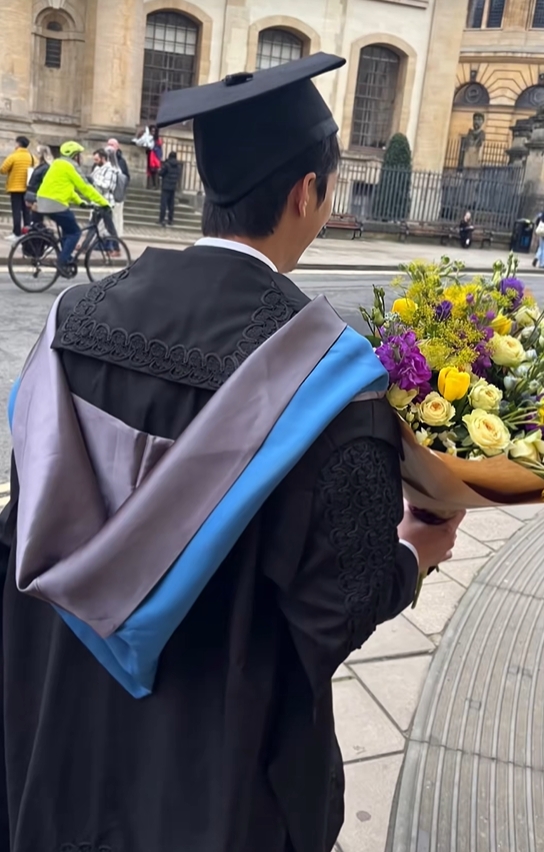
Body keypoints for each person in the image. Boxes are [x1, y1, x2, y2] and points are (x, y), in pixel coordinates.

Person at [0, 54, 463, 852]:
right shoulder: (332, 380)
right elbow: (338, 607)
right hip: (217, 774)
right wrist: (417, 551)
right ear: (307, 193)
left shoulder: (70, 323)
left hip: (60, 728)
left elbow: (26, 520)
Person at [36, 140, 109, 277]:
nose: (80, 158)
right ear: (74, 155)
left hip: (42, 202)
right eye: (79, 155)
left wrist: (80, 202)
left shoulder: (57, 163)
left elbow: (66, 189)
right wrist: (104, 203)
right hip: (56, 204)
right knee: (75, 232)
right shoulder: (71, 166)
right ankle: (62, 261)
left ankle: (66, 257)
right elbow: (85, 187)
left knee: (67, 230)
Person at [0, 136, 35, 241]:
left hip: (15, 188)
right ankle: (27, 232)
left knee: (16, 211)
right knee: (26, 211)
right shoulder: (32, 157)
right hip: (27, 188)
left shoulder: (13, 156)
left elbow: (3, 169)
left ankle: (17, 233)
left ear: (18, 144)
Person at [90, 147, 120, 250]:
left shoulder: (111, 170)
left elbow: (108, 186)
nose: (95, 162)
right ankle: (84, 247)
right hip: (97, 202)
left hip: (106, 203)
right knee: (92, 226)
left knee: (110, 228)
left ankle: (116, 248)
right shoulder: (97, 169)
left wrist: (94, 181)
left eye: (97, 159)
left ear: (103, 158)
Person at [24, 144, 53, 225]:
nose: (36, 154)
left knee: (37, 219)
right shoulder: (40, 166)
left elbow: (44, 183)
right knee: (35, 218)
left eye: (38, 152)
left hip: (37, 196)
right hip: (33, 194)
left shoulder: (46, 167)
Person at [107, 137, 130, 236]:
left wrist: (121, 188)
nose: (110, 147)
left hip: (117, 195)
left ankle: (116, 237)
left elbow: (126, 177)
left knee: (117, 217)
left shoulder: (121, 161)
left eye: (112, 145)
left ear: (117, 147)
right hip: (105, 194)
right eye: (108, 144)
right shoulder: (103, 158)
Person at [159, 150, 181, 226]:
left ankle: (162, 219)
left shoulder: (167, 165)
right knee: (171, 205)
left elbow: (161, 173)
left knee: (163, 204)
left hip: (165, 186)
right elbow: (178, 176)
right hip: (173, 187)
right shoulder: (178, 166)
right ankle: (170, 220)